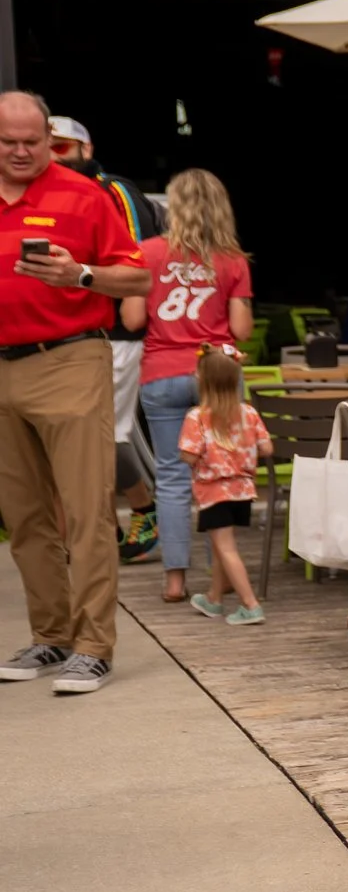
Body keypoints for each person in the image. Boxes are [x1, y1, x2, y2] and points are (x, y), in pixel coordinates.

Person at [0, 89, 151, 694]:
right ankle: (50, 637)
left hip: (67, 357)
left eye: (31, 142)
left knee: (87, 509)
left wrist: (80, 274)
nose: (19, 152)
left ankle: (93, 646)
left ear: (49, 138)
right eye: (7, 142)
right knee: (23, 517)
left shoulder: (84, 194)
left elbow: (137, 275)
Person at [125, 170, 253, 604]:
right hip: (216, 376)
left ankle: (176, 580)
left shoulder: (146, 253)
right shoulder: (233, 260)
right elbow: (241, 328)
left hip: (161, 374)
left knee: (172, 478)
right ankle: (224, 573)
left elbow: (132, 321)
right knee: (220, 475)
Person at [51, 116, 165, 563]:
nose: (56, 156)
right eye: (51, 147)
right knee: (89, 434)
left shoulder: (113, 189)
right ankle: (114, 522)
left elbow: (141, 256)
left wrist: (134, 316)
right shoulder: (52, 195)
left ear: (86, 147)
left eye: (64, 147)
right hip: (73, 331)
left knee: (106, 434)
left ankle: (135, 514)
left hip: (115, 329)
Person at [178, 349, 271, 626]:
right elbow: (267, 447)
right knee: (221, 546)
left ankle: (250, 604)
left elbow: (190, 455)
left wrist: (195, 454)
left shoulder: (197, 417)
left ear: (204, 381)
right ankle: (214, 599)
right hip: (243, 489)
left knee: (226, 547)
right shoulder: (249, 413)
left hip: (213, 491)